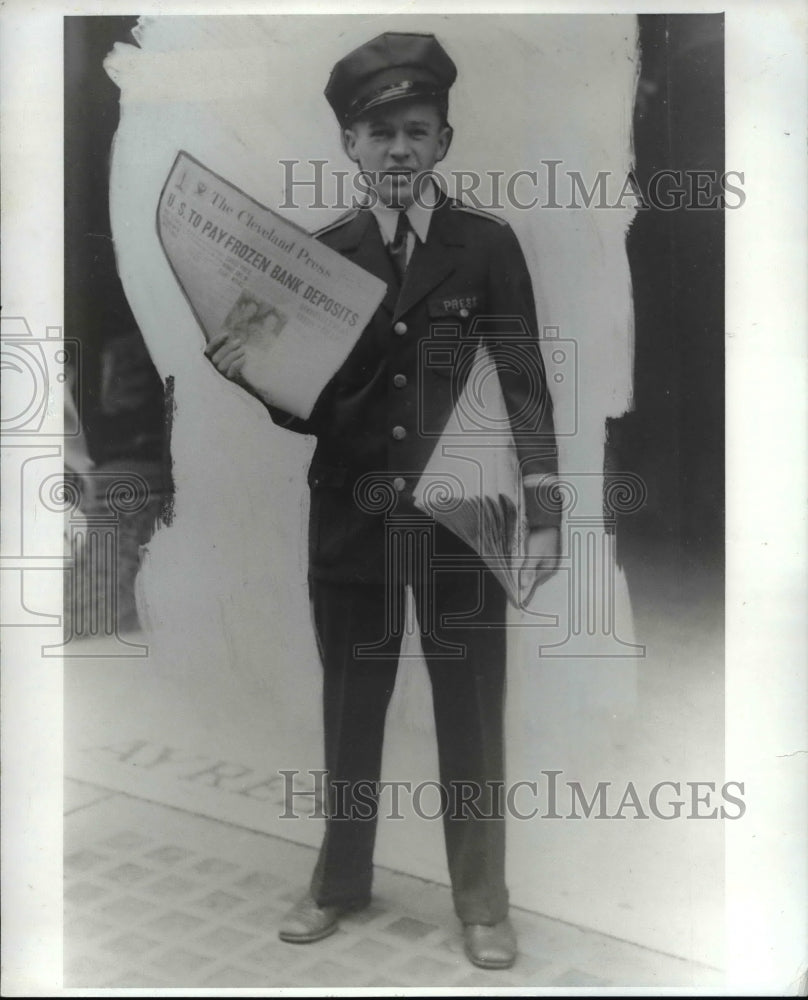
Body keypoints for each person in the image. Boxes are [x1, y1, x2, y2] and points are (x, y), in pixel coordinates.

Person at [206, 30, 561, 970]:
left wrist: (548, 508)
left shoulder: (487, 247)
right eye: (379, 133)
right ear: (350, 148)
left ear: (444, 141)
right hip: (355, 519)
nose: (398, 149)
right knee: (351, 706)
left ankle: (483, 902)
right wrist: (255, 376)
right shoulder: (321, 263)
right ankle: (339, 882)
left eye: (416, 130)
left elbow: (524, 380)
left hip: (465, 518)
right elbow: (315, 411)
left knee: (472, 711)